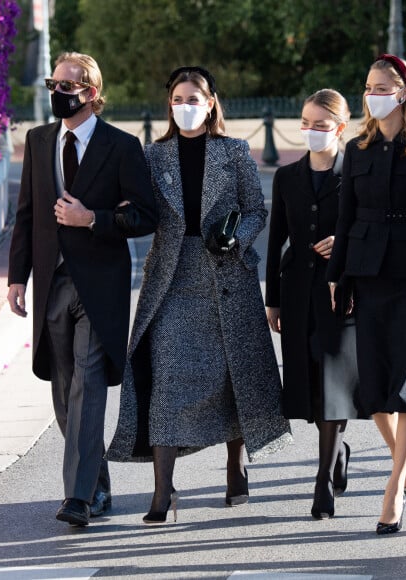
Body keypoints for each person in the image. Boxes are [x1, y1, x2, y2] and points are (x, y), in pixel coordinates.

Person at [106, 66, 292, 524]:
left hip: (226, 277)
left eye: (193, 99)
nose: (184, 106)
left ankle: (235, 465)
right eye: (177, 99)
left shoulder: (234, 151)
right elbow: (139, 209)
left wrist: (237, 238)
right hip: (171, 277)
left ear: (211, 103)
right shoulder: (153, 156)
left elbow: (256, 210)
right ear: (169, 105)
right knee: (166, 376)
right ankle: (162, 491)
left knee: (232, 377)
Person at [7, 52, 157, 527]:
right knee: (64, 390)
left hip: (99, 289)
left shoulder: (122, 146)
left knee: (88, 387)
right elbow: (27, 214)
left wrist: (92, 218)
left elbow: (144, 216)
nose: (58, 92)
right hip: (52, 284)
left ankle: (77, 497)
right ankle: (96, 483)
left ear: (91, 93)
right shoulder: (38, 140)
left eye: (68, 85)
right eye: (54, 83)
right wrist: (17, 277)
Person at [326, 54, 406, 535]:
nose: (372, 94)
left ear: (404, 91)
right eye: (368, 86)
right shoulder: (358, 148)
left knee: (405, 382)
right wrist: (337, 274)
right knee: (371, 388)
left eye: (382, 86)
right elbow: (344, 217)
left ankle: (393, 489)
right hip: (365, 271)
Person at [266, 89, 364, 520]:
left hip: (341, 290)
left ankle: (322, 480)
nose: (311, 131)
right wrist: (272, 300)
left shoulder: (357, 172)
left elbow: (369, 228)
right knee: (306, 383)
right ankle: (338, 449)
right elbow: (274, 241)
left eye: (321, 125)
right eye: (305, 122)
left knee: (332, 383)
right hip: (296, 289)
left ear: (340, 128)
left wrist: (344, 245)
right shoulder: (287, 177)